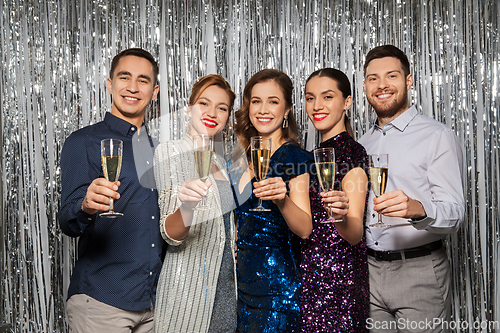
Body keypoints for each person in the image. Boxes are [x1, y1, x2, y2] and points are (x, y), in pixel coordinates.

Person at [358, 45, 464, 332]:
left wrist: (418, 209)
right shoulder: (362, 144)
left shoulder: (436, 136)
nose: (382, 86)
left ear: (409, 80)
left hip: (418, 271)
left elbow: (455, 212)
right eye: (373, 78)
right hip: (368, 271)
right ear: (365, 85)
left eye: (391, 76)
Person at [59, 48, 162, 332]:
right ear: (109, 84)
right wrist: (85, 204)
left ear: (154, 92)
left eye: (142, 80)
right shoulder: (84, 142)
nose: (132, 87)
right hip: (102, 301)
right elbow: (67, 221)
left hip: (154, 305)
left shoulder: (160, 150)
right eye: (124, 77)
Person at [153, 74, 237, 333]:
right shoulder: (170, 151)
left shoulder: (221, 162)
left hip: (225, 291)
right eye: (204, 103)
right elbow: (171, 234)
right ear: (189, 109)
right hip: (186, 294)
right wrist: (187, 207)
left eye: (222, 108)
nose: (212, 112)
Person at [232, 69, 313, 333]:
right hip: (242, 290)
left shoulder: (294, 157)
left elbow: (305, 228)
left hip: (277, 292)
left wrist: (283, 200)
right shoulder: (239, 159)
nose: (263, 109)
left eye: (273, 101)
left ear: (287, 109)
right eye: (256, 101)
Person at [300, 68, 369, 332]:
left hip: (340, 282)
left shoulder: (352, 153)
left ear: (347, 102)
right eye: (309, 98)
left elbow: (355, 234)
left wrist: (339, 216)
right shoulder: (311, 156)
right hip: (309, 278)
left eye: (327, 97)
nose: (317, 106)